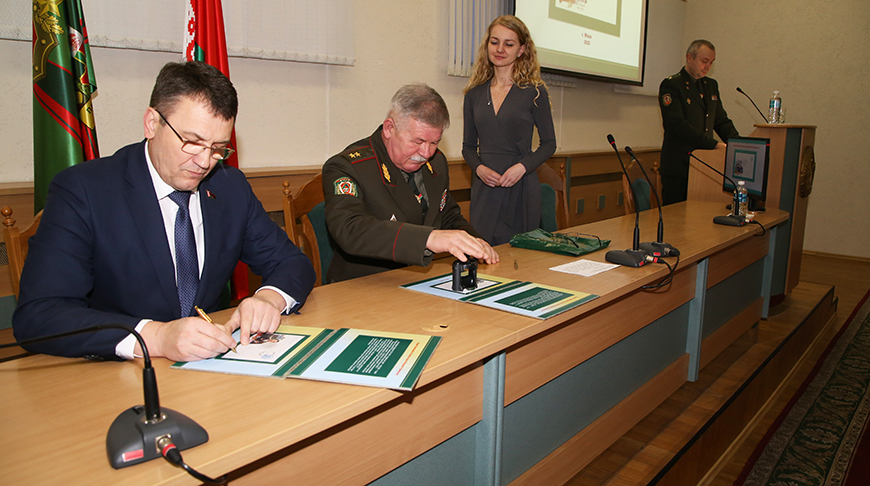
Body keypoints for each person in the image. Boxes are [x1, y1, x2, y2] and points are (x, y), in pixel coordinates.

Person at [13, 61, 317, 362]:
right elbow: (39, 314)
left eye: (218, 148)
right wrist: (156, 336)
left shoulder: (229, 187)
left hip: (209, 366)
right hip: (118, 373)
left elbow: (291, 262)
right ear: (151, 123)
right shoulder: (85, 190)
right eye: (192, 142)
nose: (204, 162)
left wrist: (268, 299)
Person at [322, 83, 499, 283]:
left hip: (418, 279)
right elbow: (350, 229)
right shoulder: (348, 167)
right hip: (363, 285)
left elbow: (446, 215)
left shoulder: (436, 163)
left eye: (434, 143)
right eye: (418, 142)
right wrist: (429, 238)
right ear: (389, 128)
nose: (426, 153)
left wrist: (475, 242)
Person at [462, 15, 557, 246]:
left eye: (509, 44)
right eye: (494, 42)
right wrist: (479, 168)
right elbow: (468, 147)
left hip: (520, 185)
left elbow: (549, 144)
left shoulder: (534, 92)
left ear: (521, 50)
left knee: (519, 255)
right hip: (485, 187)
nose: (500, 49)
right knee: (483, 252)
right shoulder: (474, 94)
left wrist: (521, 168)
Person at [659, 39, 739, 205]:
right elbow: (677, 125)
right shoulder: (672, 85)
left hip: (705, 165)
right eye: (704, 61)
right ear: (689, 58)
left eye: (711, 62)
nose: (708, 66)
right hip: (679, 167)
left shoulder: (711, 85)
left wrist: (738, 145)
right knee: (676, 217)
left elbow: (721, 121)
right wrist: (714, 145)